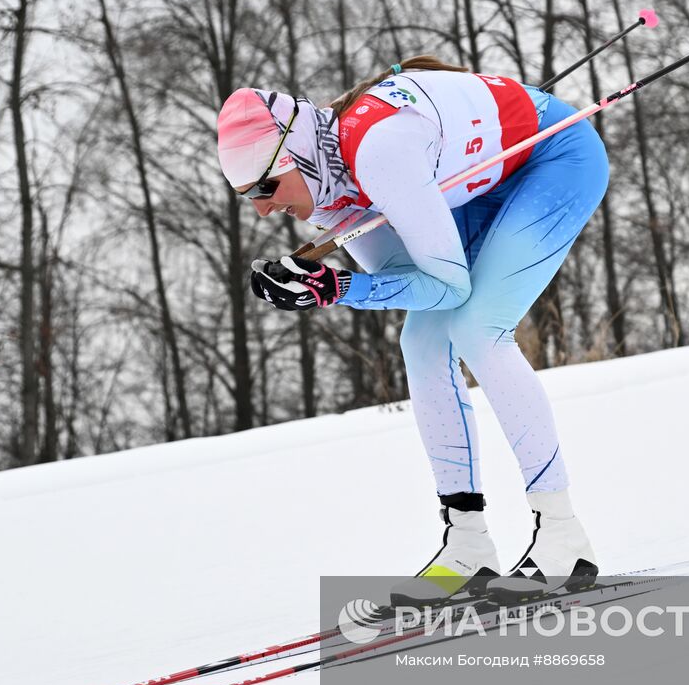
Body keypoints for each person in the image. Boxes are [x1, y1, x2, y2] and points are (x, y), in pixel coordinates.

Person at [216, 56, 609, 607]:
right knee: (422, 342)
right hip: (479, 187)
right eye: (247, 196)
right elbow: (409, 282)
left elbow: (446, 288)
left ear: (295, 154)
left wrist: (336, 288)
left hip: (554, 160)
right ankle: (468, 545)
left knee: (478, 329)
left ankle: (565, 537)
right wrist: (325, 283)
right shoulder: (329, 188)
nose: (262, 209)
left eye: (265, 185)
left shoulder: (378, 152)